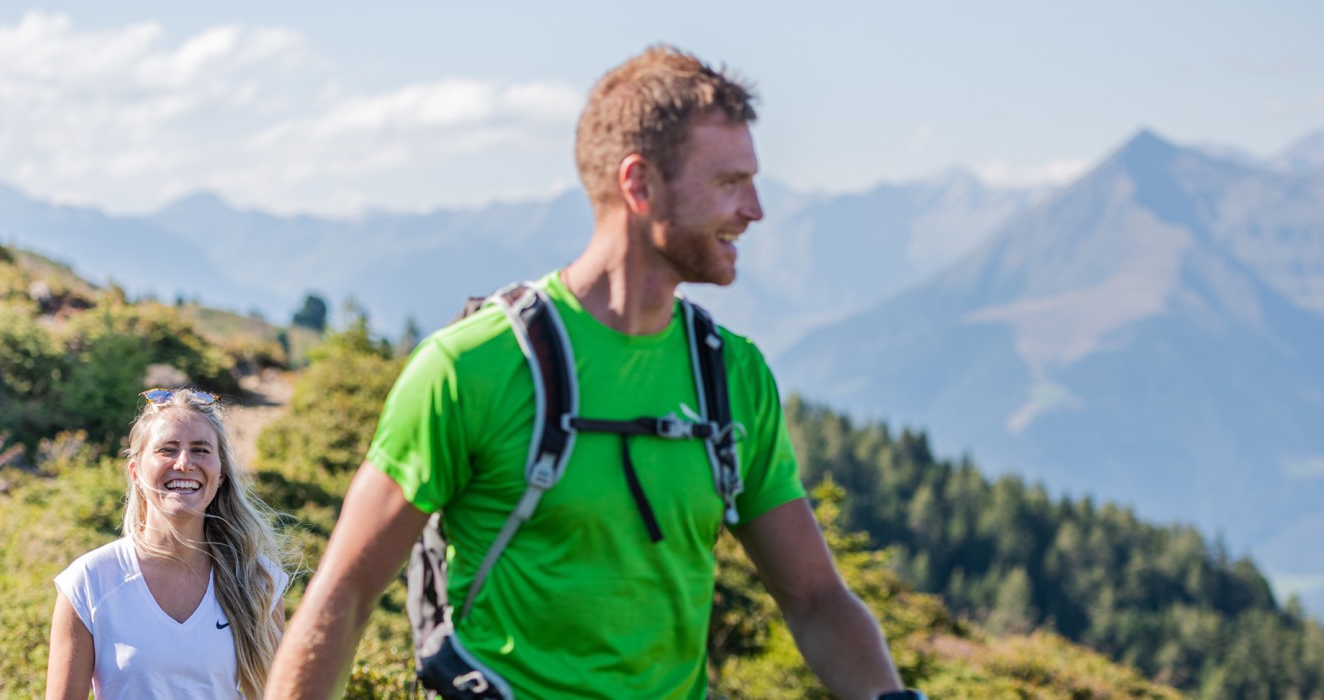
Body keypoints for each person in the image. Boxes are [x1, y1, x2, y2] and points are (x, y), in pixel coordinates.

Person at [267, 46, 919, 699]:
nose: (755, 209)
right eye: (728, 183)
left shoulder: (734, 377)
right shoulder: (469, 369)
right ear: (639, 184)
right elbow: (345, 595)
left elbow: (814, 598)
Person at [46, 388, 292, 699]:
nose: (184, 463)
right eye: (167, 449)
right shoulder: (89, 581)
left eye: (201, 450)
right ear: (135, 471)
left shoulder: (258, 582)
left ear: (221, 475)